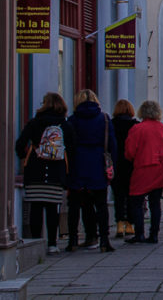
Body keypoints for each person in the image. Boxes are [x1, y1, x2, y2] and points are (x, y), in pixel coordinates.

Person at [15, 92, 74, 254]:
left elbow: (20, 144)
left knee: (36, 207)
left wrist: (26, 156)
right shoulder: (65, 125)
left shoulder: (34, 123)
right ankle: (52, 244)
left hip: (35, 170)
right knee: (52, 208)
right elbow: (72, 148)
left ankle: (35, 242)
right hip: (56, 171)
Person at [66, 89, 117, 252]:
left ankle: (73, 240)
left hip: (78, 164)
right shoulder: (104, 119)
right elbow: (112, 145)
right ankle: (104, 240)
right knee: (101, 204)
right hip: (98, 164)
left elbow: (68, 145)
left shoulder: (72, 120)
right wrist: (111, 163)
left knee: (76, 204)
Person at [124, 100, 163, 243]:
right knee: (155, 202)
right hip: (160, 169)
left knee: (136, 201)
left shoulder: (137, 129)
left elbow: (129, 152)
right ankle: (154, 234)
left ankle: (139, 233)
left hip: (142, 168)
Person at [110, 99, 139, 238]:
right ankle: (130, 224)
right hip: (131, 164)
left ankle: (119, 223)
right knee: (131, 195)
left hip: (116, 164)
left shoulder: (111, 124)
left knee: (118, 195)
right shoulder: (135, 125)